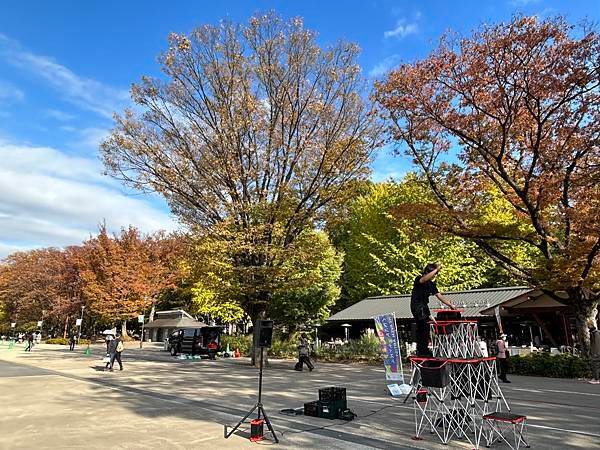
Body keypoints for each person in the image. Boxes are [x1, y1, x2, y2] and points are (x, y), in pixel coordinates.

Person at [410, 262, 456, 356]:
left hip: (424, 307)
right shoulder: (419, 279)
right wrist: (436, 269)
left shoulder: (431, 284)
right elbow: (424, 279)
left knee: (427, 328)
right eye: (434, 274)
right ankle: (422, 351)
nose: (434, 276)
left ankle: (424, 349)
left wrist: (450, 305)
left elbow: (439, 296)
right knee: (423, 327)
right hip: (417, 306)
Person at [588, 320, 600, 385]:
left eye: (588, 325)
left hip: (597, 353)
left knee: (596, 365)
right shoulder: (593, 333)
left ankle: (597, 379)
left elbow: (597, 344)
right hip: (594, 352)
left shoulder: (596, 333)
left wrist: (596, 353)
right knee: (594, 365)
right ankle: (595, 377)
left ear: (591, 325)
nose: (588, 327)